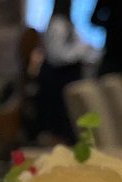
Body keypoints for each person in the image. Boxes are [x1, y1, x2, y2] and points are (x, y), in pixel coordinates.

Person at [34, 0, 97, 143]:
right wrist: (80, 52)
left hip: (64, 77)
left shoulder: (68, 24)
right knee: (58, 122)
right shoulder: (57, 24)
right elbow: (57, 56)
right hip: (57, 81)